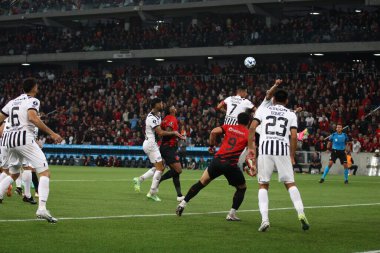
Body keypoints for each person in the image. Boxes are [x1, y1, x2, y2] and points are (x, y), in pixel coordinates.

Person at [0, 78, 63, 223]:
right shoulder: (33, 101)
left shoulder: (12, 102)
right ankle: (42, 208)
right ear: (34, 88)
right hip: (24, 139)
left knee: (14, 173)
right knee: (44, 172)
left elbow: (1, 118)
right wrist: (52, 133)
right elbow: (33, 118)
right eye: (37, 86)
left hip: (8, 140)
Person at [246, 89, 310, 232]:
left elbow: (252, 129)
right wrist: (292, 155)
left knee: (263, 185)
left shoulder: (264, 110)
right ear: (286, 101)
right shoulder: (291, 114)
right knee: (290, 183)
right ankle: (301, 213)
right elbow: (294, 136)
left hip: (265, 149)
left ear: (273, 100)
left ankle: (265, 220)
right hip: (282, 149)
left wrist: (251, 150)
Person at [176, 112, 251, 221]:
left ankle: (182, 204)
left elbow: (213, 131)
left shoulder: (229, 127)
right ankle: (231, 214)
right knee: (242, 188)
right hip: (230, 164)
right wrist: (250, 166)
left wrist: (211, 145)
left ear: (237, 120)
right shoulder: (248, 134)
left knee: (201, 182)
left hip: (217, 161)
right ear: (248, 122)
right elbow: (250, 152)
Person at [133, 105, 185, 202]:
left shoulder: (164, 118)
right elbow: (167, 132)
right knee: (177, 170)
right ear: (172, 110)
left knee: (161, 167)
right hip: (168, 147)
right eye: (174, 107)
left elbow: (162, 130)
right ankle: (157, 184)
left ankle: (179, 195)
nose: (175, 107)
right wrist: (176, 134)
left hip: (163, 146)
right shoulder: (172, 119)